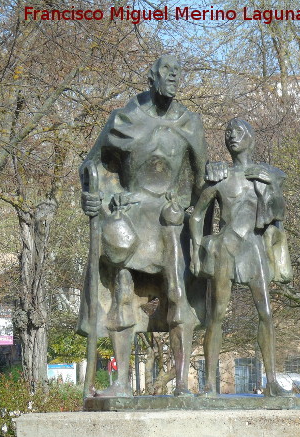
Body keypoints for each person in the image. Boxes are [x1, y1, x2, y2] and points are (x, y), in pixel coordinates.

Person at [78, 55, 209, 396]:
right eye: (167, 71)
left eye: (178, 71)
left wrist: (208, 194)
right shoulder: (125, 118)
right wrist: (100, 198)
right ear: (151, 78)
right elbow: (92, 167)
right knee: (123, 290)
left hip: (171, 218)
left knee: (179, 295)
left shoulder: (189, 123)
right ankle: (121, 383)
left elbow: (201, 180)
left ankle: (182, 383)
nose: (174, 76)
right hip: (131, 212)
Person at [189, 118, 292, 397]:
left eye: (238, 132)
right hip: (226, 247)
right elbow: (197, 215)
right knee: (218, 314)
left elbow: (277, 214)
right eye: (227, 133)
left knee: (266, 313)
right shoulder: (221, 177)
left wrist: (272, 186)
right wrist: (195, 253)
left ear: (251, 137)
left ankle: (271, 382)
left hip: (254, 247)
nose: (231, 136)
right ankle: (210, 384)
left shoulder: (268, 174)